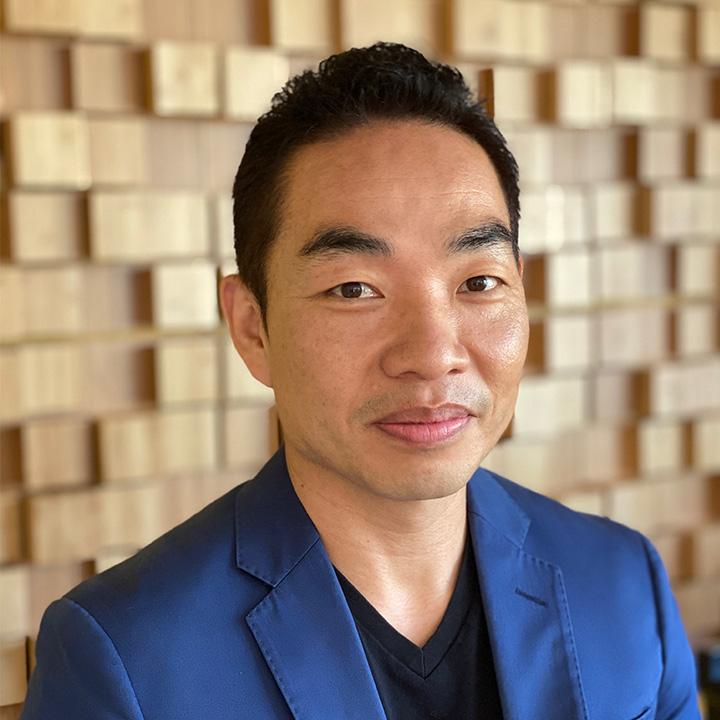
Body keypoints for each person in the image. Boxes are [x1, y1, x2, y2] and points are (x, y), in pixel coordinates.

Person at [22, 42, 699, 720]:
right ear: (253, 328)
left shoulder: (622, 584)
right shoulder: (127, 657)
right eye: (354, 289)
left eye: (478, 282)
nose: (433, 355)